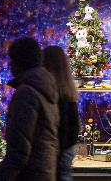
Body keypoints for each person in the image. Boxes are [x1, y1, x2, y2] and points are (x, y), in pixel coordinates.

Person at [0, 38, 60, 181]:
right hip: (44, 171)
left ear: (20, 62)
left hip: (30, 174)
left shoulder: (26, 93)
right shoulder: (46, 88)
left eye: (12, 59)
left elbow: (19, 150)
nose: (10, 65)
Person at [43, 46, 80, 181]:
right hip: (66, 149)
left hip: (57, 150)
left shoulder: (51, 92)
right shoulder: (68, 91)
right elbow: (74, 127)